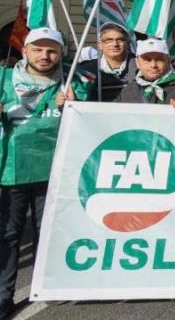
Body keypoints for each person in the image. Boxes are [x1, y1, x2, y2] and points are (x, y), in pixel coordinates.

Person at [0, 28, 87, 318]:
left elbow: (90, 122)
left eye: (51, 50)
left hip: (55, 170)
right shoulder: (4, 78)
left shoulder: (71, 80)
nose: (44, 56)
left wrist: (76, 105)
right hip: (12, 170)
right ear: (25, 50)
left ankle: (44, 285)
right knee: (9, 235)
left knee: (46, 233)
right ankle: (4, 296)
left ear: (61, 53)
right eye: (38, 49)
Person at [115, 38, 175, 109]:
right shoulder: (129, 91)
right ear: (137, 63)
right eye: (147, 60)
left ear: (168, 61)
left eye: (159, 59)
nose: (153, 65)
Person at [77, 22, 137, 102]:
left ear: (128, 44)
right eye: (109, 40)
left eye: (120, 40)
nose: (115, 44)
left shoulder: (141, 66)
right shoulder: (86, 70)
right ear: (100, 45)